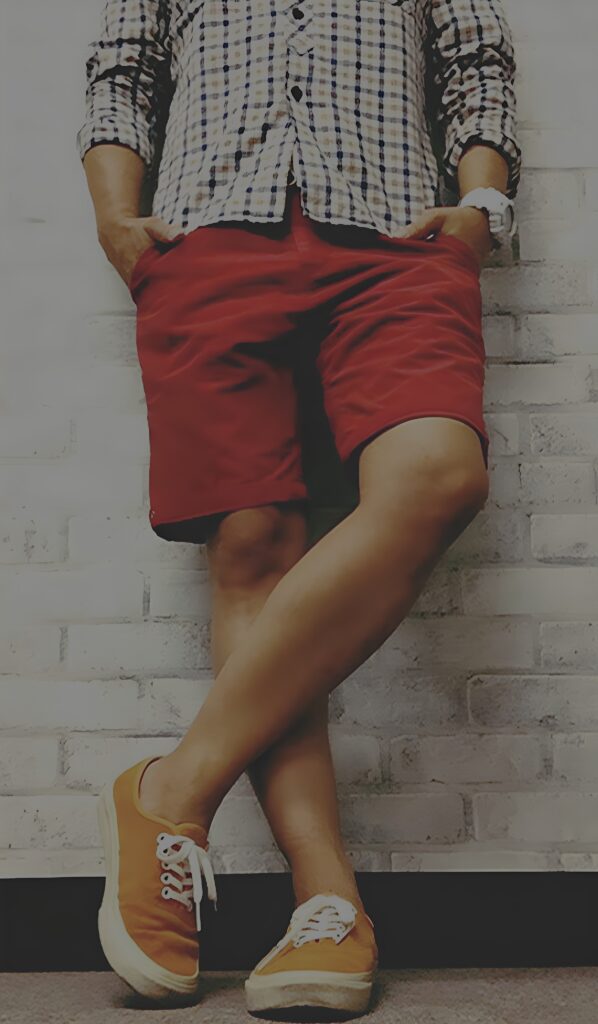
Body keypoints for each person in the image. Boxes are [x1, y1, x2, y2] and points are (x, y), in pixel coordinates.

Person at [76, 0, 520, 1016]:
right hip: (208, 238)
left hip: (396, 239)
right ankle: (327, 903)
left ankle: (170, 794)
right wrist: (116, 219)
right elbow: (123, 69)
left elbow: (475, 57)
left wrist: (480, 204)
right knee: (254, 545)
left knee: (438, 474)